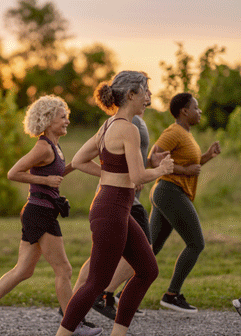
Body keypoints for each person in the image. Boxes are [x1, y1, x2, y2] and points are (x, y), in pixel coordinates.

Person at [0, 95, 102, 336]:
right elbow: (13, 173)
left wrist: (79, 163)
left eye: (67, 117)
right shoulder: (43, 146)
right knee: (64, 270)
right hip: (39, 213)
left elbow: (58, 173)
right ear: (48, 120)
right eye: (63, 117)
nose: (67, 121)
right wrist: (44, 180)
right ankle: (73, 325)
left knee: (23, 270)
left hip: (39, 212)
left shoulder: (55, 147)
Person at [56, 71, 174, 336]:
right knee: (96, 282)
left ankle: (118, 333)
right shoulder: (129, 129)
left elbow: (78, 159)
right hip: (111, 210)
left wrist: (109, 174)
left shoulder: (109, 125)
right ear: (131, 94)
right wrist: (162, 169)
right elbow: (138, 176)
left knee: (146, 269)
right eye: (145, 90)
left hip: (113, 207)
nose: (148, 97)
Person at [148, 92, 221, 313]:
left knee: (151, 248)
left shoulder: (186, 134)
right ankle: (171, 295)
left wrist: (207, 156)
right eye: (196, 108)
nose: (199, 112)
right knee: (196, 244)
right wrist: (184, 170)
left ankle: (119, 293)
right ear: (184, 111)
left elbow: (191, 165)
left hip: (170, 192)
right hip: (170, 191)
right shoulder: (173, 132)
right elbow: (153, 159)